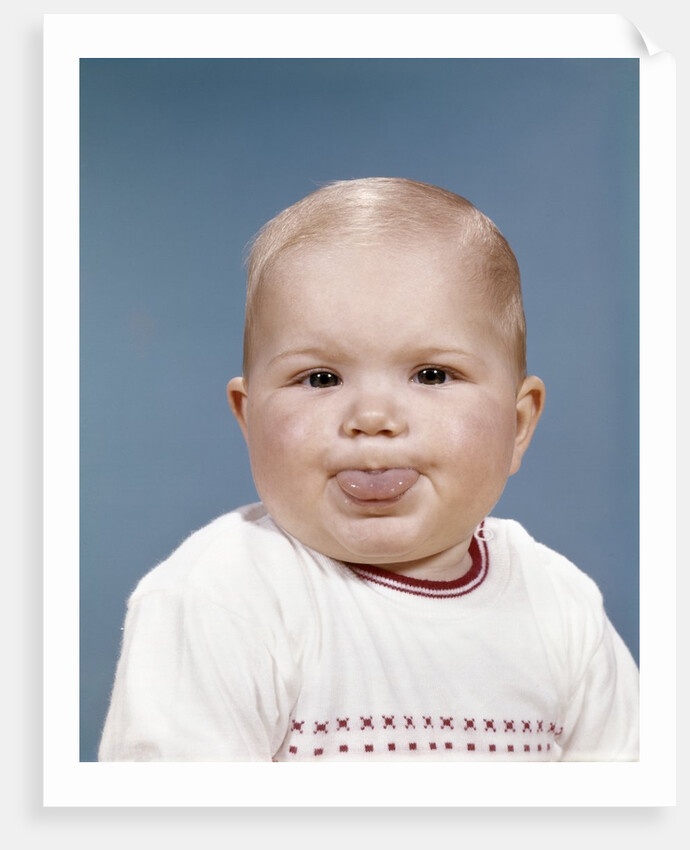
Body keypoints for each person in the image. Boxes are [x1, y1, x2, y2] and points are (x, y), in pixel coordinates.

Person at [98, 177, 639, 762]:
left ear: (519, 425)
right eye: (321, 378)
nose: (373, 417)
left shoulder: (561, 607)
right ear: (248, 418)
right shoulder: (219, 599)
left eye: (432, 374)